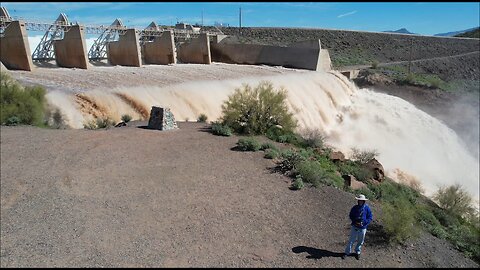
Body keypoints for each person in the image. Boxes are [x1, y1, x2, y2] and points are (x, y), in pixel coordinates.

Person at [342, 194, 373, 260]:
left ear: (364, 201)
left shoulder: (367, 208)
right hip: (355, 227)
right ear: (358, 201)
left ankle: (357, 252)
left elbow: (370, 217)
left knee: (360, 241)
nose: (360, 202)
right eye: (359, 200)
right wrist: (355, 221)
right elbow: (351, 215)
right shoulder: (354, 208)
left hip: (363, 228)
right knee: (351, 241)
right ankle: (347, 253)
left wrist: (364, 223)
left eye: (362, 201)